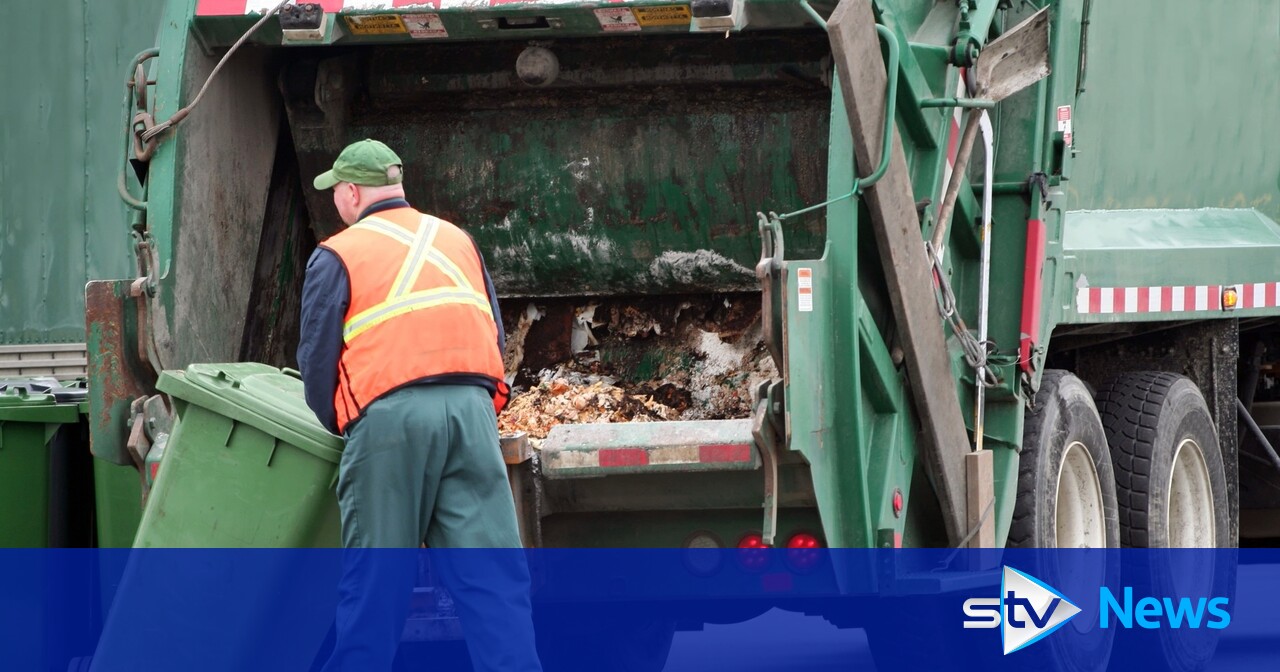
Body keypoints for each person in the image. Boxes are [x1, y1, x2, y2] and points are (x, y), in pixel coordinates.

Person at [298, 139, 542, 672]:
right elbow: (493, 334)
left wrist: (345, 427)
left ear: (352, 192)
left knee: (375, 590)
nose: (335, 200)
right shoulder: (458, 240)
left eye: (335, 190)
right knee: (494, 585)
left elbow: (317, 361)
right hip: (472, 415)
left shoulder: (339, 252)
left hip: (390, 423)